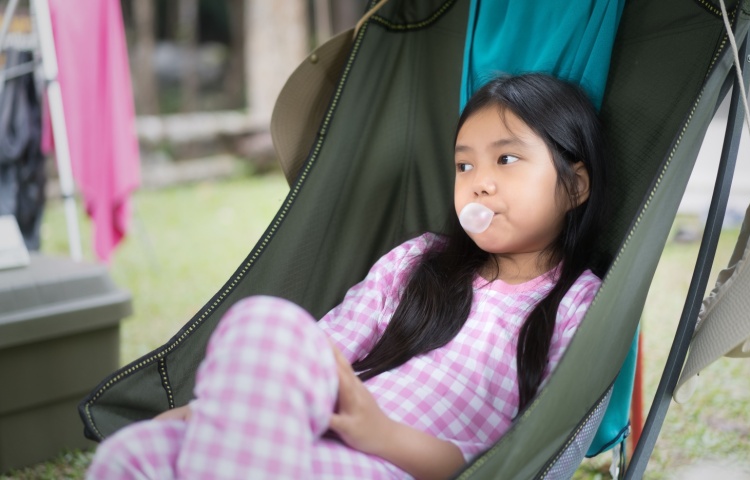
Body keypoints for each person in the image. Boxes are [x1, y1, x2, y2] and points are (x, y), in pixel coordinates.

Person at [86, 73, 608, 480]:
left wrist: (379, 433)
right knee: (138, 448)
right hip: (300, 437)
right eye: (464, 166)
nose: (480, 184)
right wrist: (210, 414)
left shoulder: (577, 306)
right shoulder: (418, 262)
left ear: (576, 185)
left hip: (392, 465)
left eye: (507, 159)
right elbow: (316, 351)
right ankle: (226, 442)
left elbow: (522, 457)